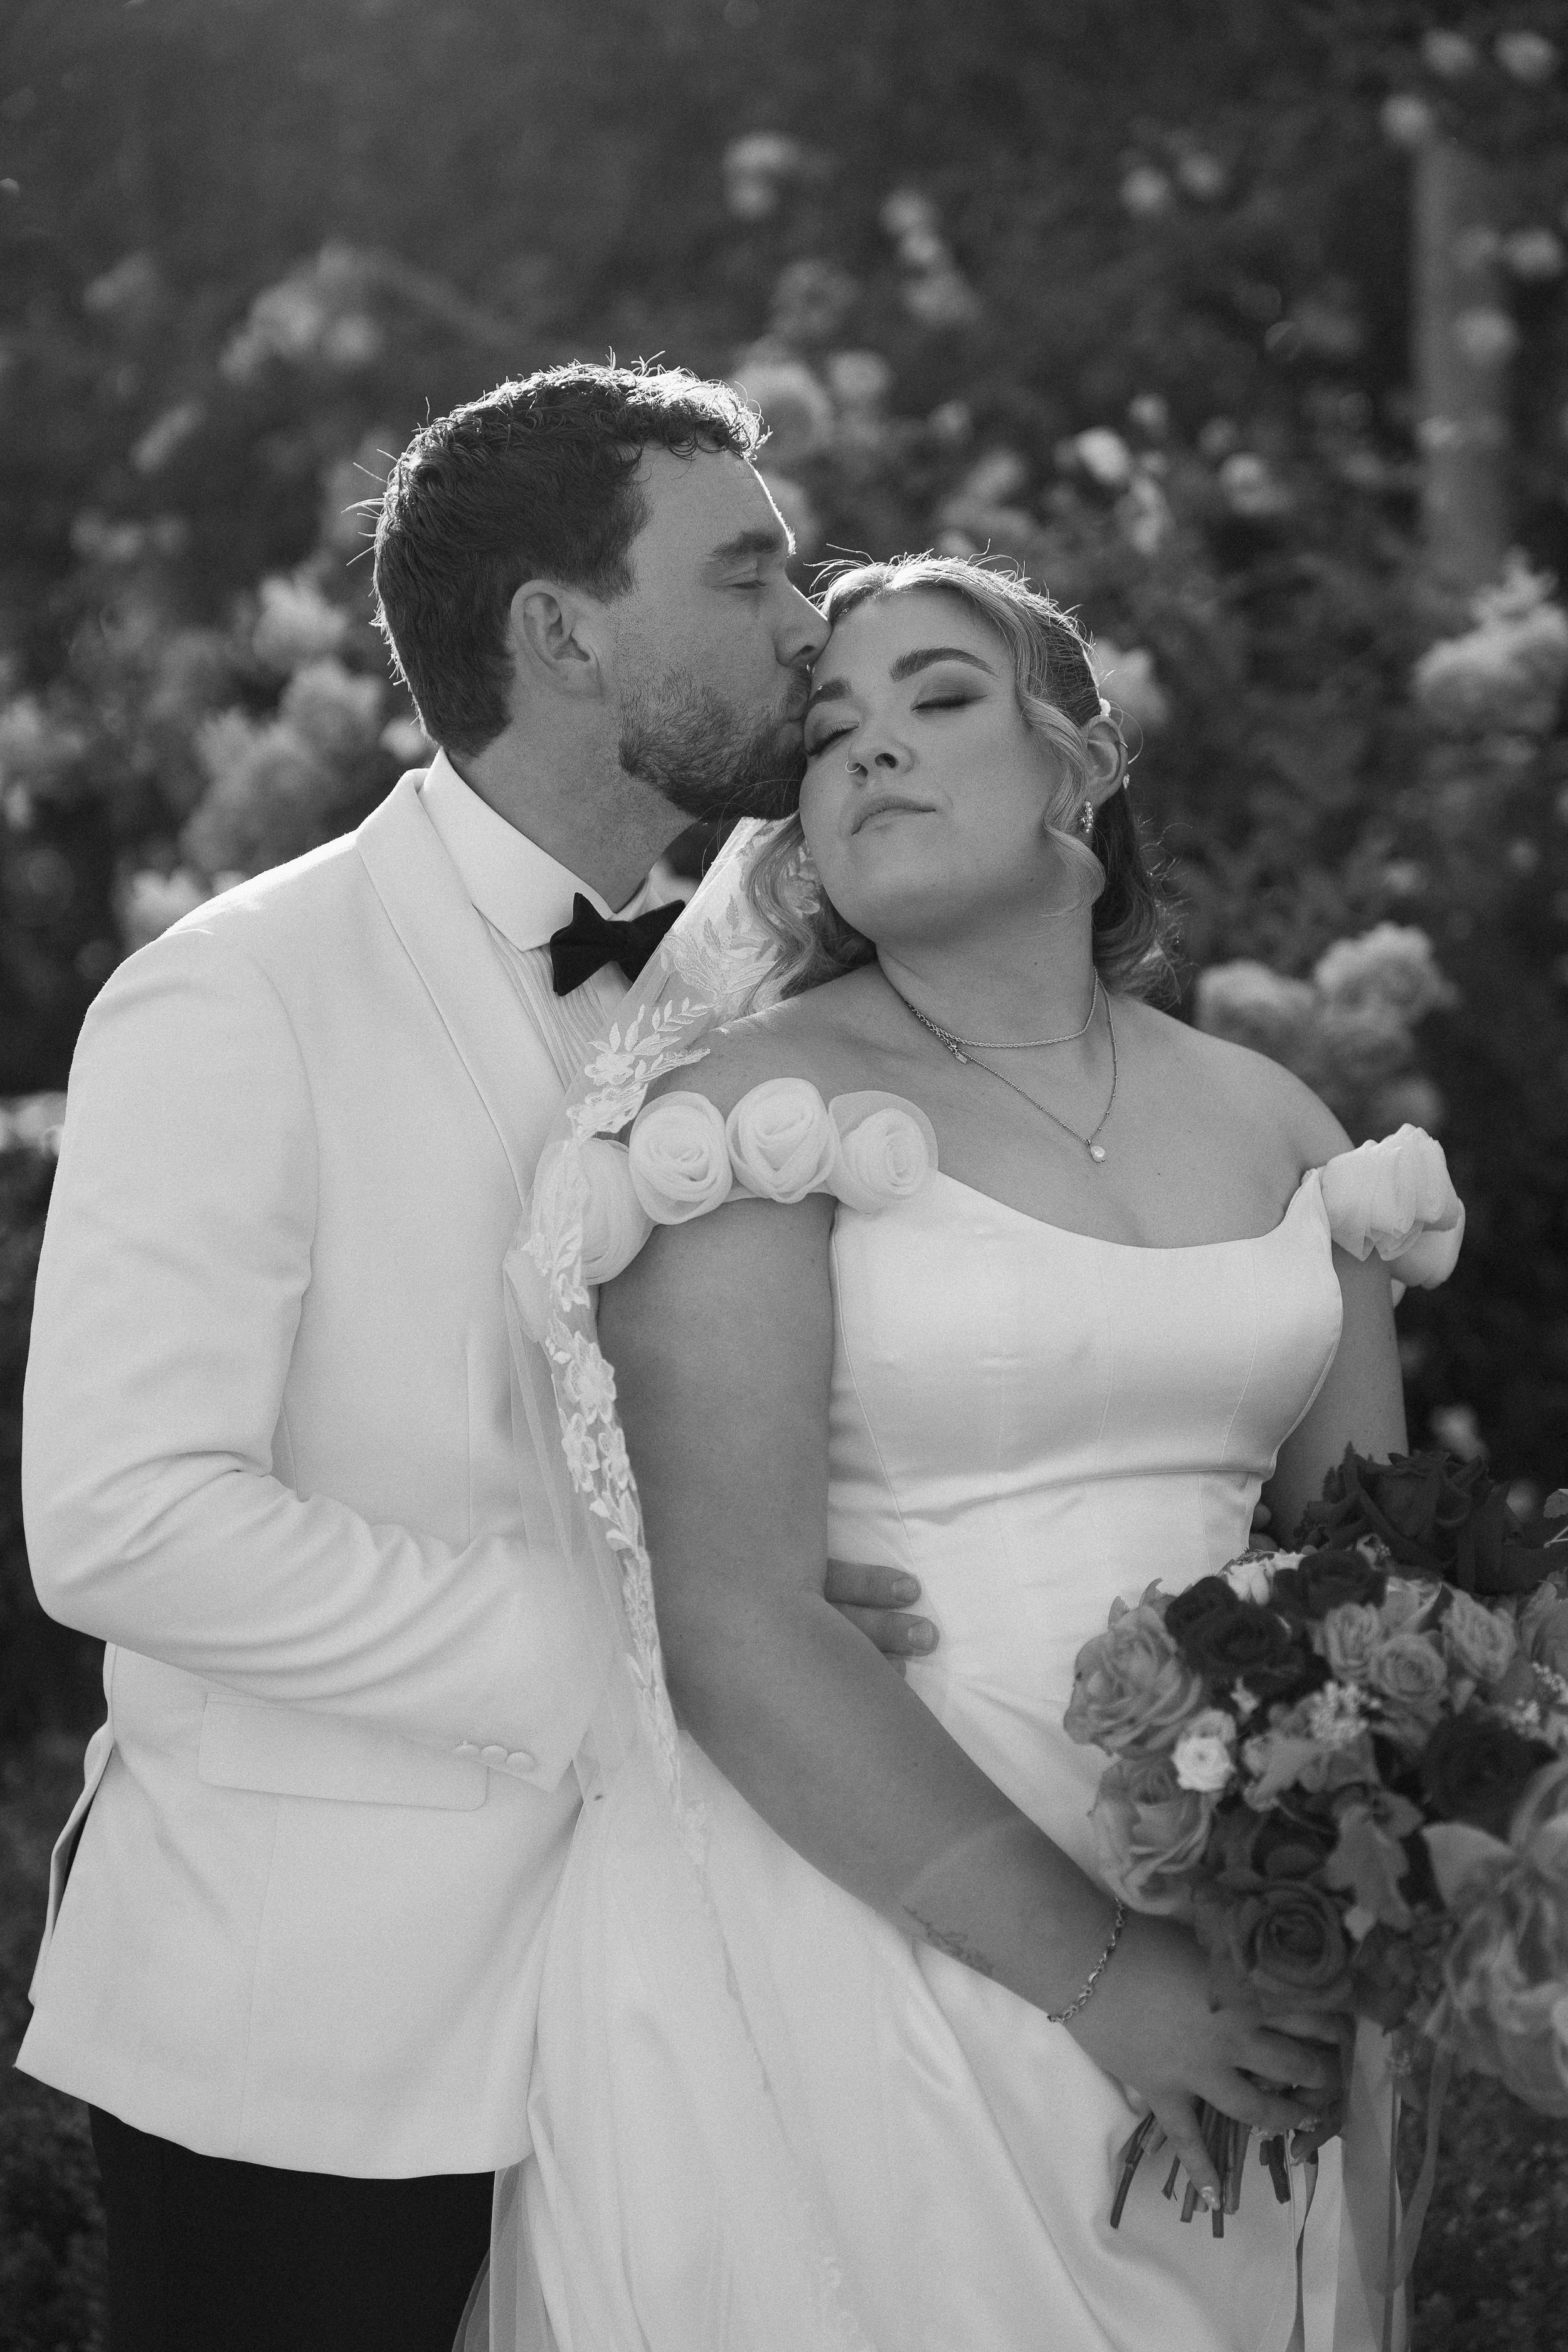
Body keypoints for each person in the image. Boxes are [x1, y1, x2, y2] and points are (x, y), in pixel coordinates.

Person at [16, 364, 929, 2352]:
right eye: (748, 568)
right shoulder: (229, 995)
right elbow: (121, 1521)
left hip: (673, 2020)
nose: (811, 620)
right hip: (304, 2042)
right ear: (562, 629)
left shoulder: (744, 986)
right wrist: (629, 1641)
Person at [501, 553, 1465, 2350]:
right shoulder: (750, 1122)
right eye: (828, 731)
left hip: (1245, 1944)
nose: (866, 752)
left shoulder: (1278, 1125)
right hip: (861, 1925)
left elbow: (1382, 1586)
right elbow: (731, 1621)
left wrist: (1316, 1915)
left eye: (935, 697)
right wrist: (1110, 1983)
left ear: (1078, 765)